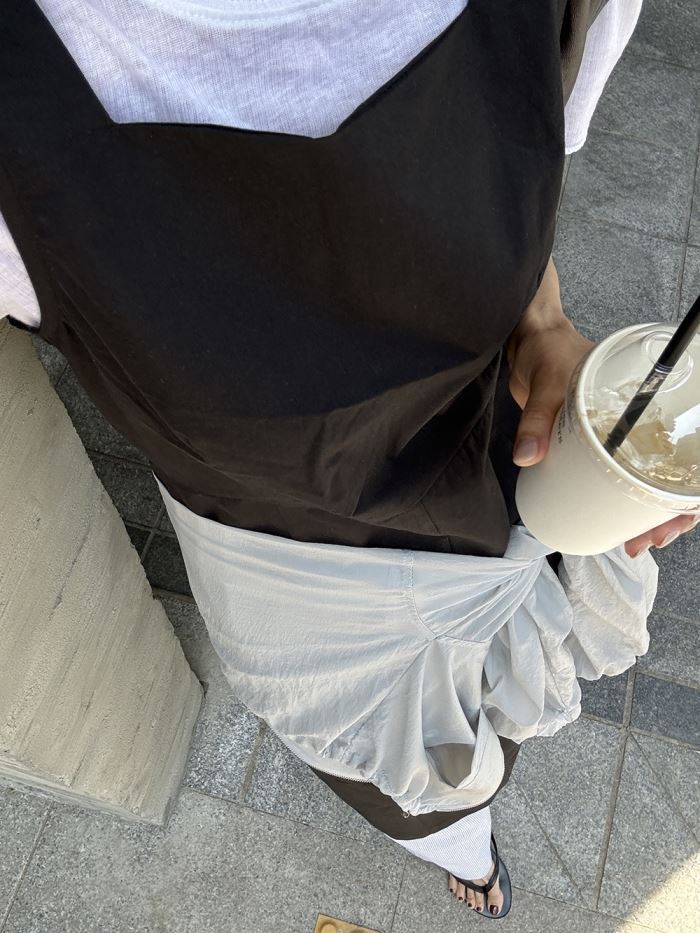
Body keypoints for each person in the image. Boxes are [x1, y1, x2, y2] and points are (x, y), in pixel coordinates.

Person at [1, 0, 696, 920]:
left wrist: (542, 321)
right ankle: (467, 847)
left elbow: (528, 171)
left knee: (471, 730)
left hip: (505, 450)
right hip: (307, 597)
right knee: (413, 788)